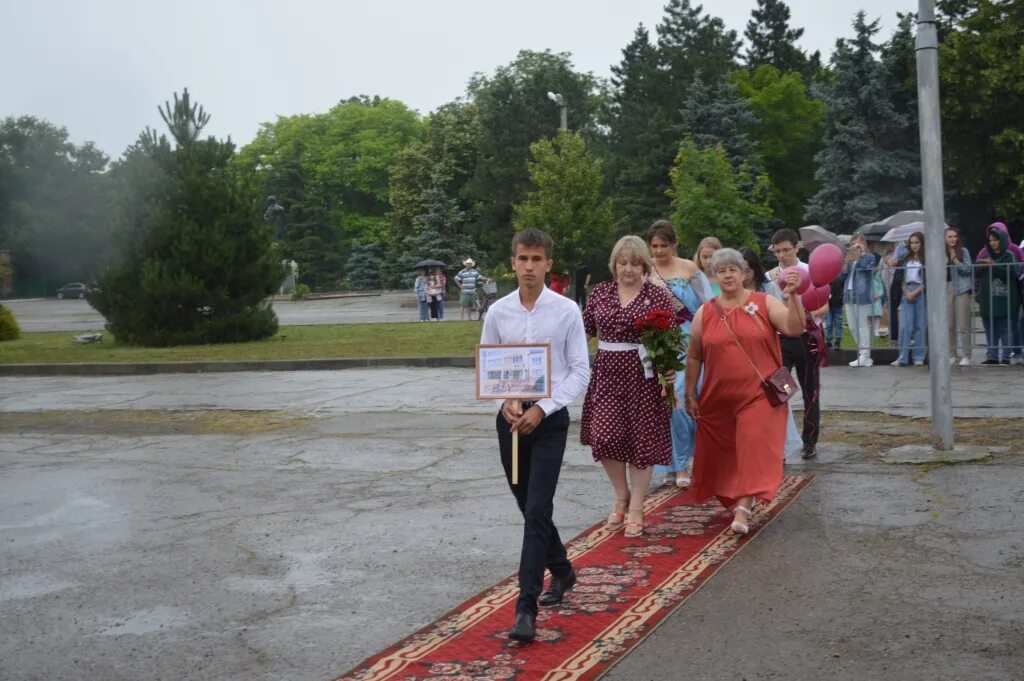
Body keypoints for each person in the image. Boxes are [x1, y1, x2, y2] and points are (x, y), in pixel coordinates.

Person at [480, 229, 591, 643]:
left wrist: (542, 407)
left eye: (536, 259)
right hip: (509, 423)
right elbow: (490, 367)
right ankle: (562, 570)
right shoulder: (499, 312)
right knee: (530, 508)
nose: (529, 266)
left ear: (548, 265)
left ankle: (525, 610)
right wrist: (506, 402)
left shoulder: (565, 311)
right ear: (513, 262)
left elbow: (580, 370)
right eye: (522, 258)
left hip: (549, 423)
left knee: (538, 506)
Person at [684, 248, 806, 535]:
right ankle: (737, 497)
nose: (727, 275)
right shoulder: (706, 311)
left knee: (752, 443)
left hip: (759, 394)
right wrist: (690, 393)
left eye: (733, 270)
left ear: (744, 273)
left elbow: (794, 328)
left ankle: (743, 506)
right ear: (714, 276)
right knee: (722, 454)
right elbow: (694, 357)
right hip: (719, 397)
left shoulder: (764, 303)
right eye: (721, 271)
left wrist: (794, 297)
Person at [581, 235, 675, 539]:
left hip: (643, 376)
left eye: (635, 263)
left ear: (645, 265)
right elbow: (582, 330)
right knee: (605, 436)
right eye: (623, 262)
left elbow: (669, 339)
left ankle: (635, 507)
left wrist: (667, 375)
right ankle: (621, 495)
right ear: (614, 264)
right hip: (607, 374)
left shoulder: (657, 296)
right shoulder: (600, 292)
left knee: (641, 443)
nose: (628, 269)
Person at [646, 220, 709, 488]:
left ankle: (683, 462)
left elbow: (707, 304)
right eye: (654, 246)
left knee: (681, 400)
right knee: (663, 406)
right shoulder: (645, 270)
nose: (659, 251)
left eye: (664, 245)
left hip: (687, 341)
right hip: (656, 344)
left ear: (674, 244)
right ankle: (672, 462)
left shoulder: (689, 269)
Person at [766, 229, 825, 459]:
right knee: (781, 390)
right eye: (778, 251)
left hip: (808, 338)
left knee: (810, 390)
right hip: (782, 339)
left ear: (796, 248)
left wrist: (805, 314)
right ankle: (779, 442)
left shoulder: (811, 272)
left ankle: (809, 441)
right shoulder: (771, 276)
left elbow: (825, 307)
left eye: (786, 250)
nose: (782, 255)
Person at [740, 247, 804, 462]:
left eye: (748, 270)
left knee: (775, 400)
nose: (745, 275)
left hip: (767, 353)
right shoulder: (733, 292)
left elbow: (783, 320)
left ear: (754, 270)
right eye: (742, 270)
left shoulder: (767, 288)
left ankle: (778, 449)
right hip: (741, 357)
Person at [976, 225, 1021, 365]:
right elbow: (975, 274)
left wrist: (993, 265)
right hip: (988, 300)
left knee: (1005, 329)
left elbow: (1012, 274)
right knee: (990, 329)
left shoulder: (1009, 255)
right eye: (990, 240)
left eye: (996, 240)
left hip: (1004, 300)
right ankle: (993, 356)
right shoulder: (985, 255)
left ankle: (1006, 357)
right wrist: (981, 266)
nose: (993, 243)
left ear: (1002, 240)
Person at [842, 234, 878, 368]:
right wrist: (846, 263)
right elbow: (843, 276)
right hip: (849, 294)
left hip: (862, 295)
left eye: (857, 244)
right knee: (852, 326)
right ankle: (862, 353)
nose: (854, 247)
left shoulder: (869, 257)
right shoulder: (852, 259)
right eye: (852, 244)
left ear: (863, 244)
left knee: (862, 326)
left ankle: (865, 355)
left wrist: (862, 254)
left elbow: (868, 269)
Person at [893, 232, 927, 366]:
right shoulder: (905, 259)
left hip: (921, 291)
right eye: (911, 243)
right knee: (905, 326)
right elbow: (899, 277)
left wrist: (916, 292)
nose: (914, 245)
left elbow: (928, 278)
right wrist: (907, 292)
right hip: (906, 290)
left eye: (916, 242)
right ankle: (902, 357)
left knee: (920, 325)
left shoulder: (926, 259)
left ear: (922, 243)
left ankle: (919, 356)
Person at [945, 227, 974, 366]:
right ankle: (952, 354)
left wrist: (955, 260)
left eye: (954, 236)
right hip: (946, 289)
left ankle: (967, 355)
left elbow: (968, 269)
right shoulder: (940, 253)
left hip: (962, 289)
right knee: (949, 324)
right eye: (949, 236)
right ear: (945, 238)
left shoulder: (963, 251)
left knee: (963, 324)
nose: (952, 239)